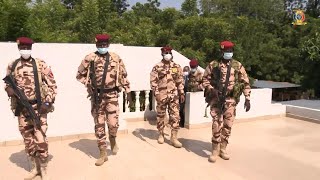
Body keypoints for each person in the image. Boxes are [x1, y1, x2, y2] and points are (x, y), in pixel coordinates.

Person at [4, 37, 57, 180]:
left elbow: (52, 85)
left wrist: (48, 102)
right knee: (28, 140)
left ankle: (44, 169)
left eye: (28, 48)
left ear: (31, 49)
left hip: (39, 108)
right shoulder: (12, 65)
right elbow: (7, 83)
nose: (25, 50)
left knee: (40, 139)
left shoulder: (40, 64)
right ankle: (35, 168)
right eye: (23, 48)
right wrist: (9, 89)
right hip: (22, 109)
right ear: (19, 48)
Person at [76, 34, 132, 166]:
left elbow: (123, 75)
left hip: (112, 94)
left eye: (104, 45)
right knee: (99, 124)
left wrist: (128, 91)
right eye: (100, 45)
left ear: (108, 45)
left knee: (113, 123)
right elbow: (79, 75)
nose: (102, 47)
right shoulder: (90, 58)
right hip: (97, 96)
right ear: (96, 45)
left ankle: (112, 138)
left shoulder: (115, 58)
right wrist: (88, 83)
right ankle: (102, 153)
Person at [202, 40, 251, 163]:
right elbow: (205, 80)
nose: (229, 53)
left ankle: (223, 148)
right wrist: (212, 90)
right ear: (221, 51)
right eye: (226, 51)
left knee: (228, 125)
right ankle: (215, 149)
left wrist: (247, 98)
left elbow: (245, 82)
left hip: (231, 100)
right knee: (216, 124)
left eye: (230, 51)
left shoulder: (237, 65)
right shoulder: (213, 65)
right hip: (216, 99)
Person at [150, 46, 185, 148]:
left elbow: (179, 80)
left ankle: (174, 138)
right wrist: (156, 94)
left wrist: (181, 92)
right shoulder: (157, 67)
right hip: (162, 96)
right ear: (162, 54)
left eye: (169, 52)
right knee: (161, 116)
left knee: (176, 116)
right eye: (165, 53)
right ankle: (161, 134)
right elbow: (153, 82)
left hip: (173, 96)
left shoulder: (176, 66)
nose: (167, 54)